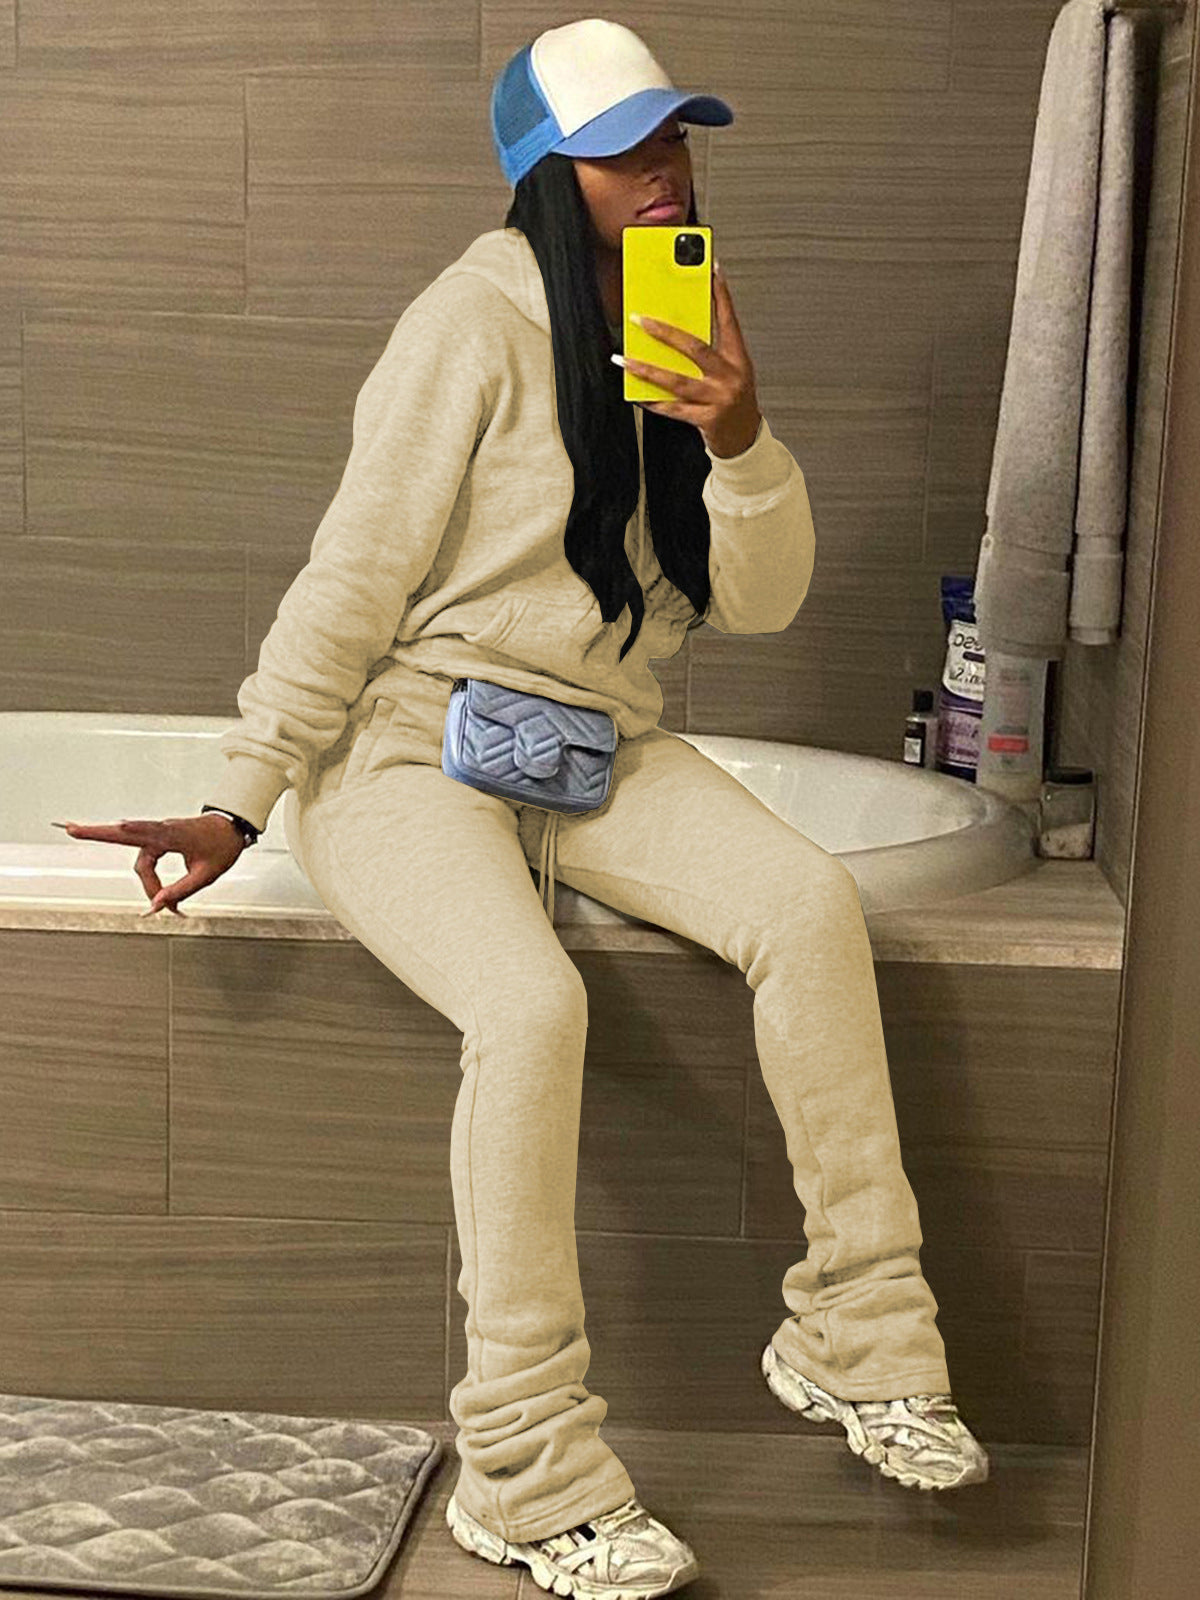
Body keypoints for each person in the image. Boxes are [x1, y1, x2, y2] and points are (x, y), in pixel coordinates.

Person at [55, 19, 988, 1599]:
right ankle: (524, 1468)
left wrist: (739, 436)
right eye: (624, 150)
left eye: (676, 138)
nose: (664, 171)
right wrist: (241, 797)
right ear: (550, 178)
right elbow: (354, 576)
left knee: (810, 904)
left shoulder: (686, 325)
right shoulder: (469, 321)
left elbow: (757, 602)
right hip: (407, 747)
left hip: (596, 745)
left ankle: (860, 1329)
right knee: (531, 1006)